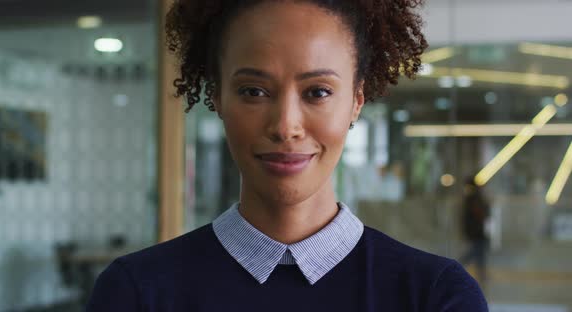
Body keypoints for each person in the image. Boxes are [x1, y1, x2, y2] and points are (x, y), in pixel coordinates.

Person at [86, 1, 488, 311]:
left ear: (356, 102)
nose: (285, 125)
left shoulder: (435, 297)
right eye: (253, 92)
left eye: (317, 92)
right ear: (218, 98)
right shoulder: (137, 293)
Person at [459, 176, 490, 286]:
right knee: (475, 253)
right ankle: (458, 267)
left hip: (476, 231)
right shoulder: (473, 199)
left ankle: (482, 275)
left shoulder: (472, 199)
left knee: (478, 254)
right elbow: (480, 214)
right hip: (476, 232)